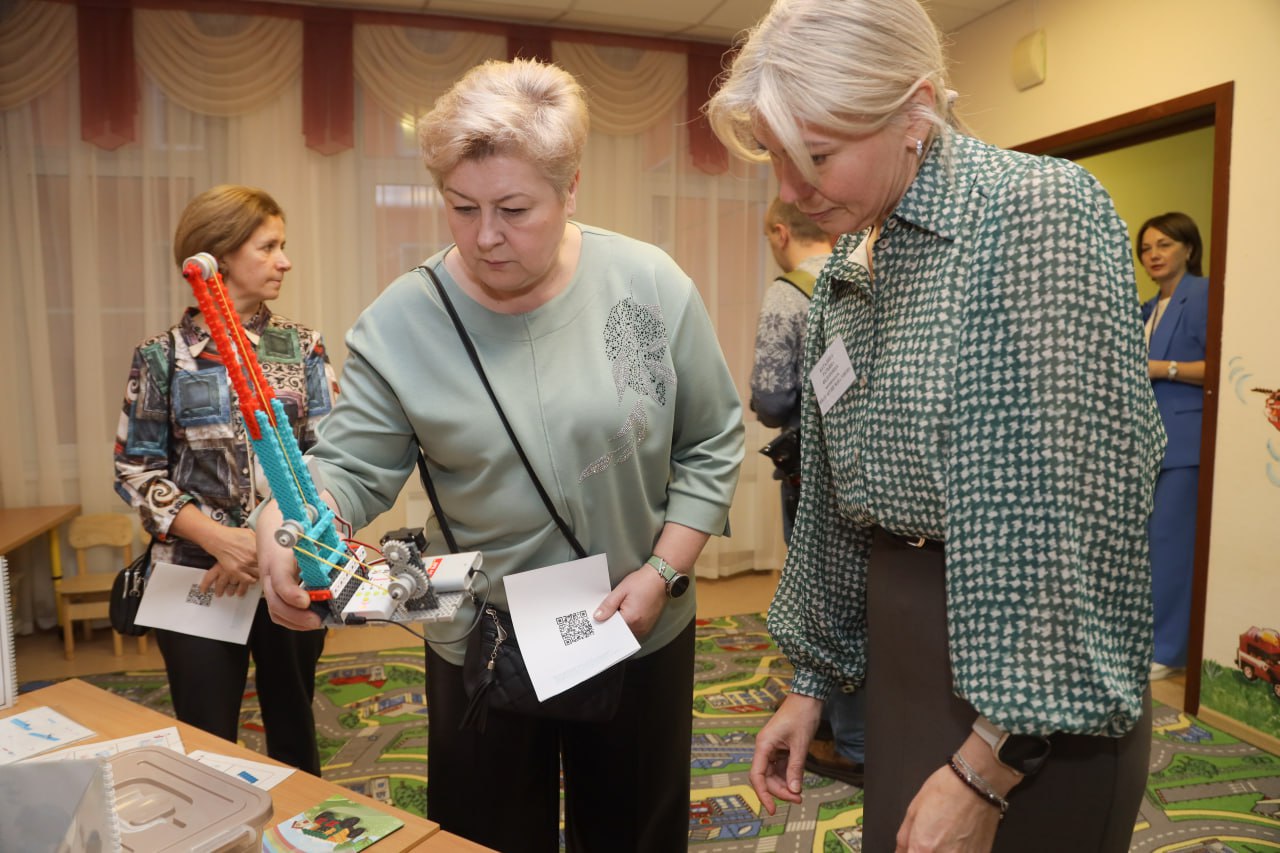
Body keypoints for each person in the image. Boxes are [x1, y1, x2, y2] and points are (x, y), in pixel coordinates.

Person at [706, 1, 1165, 850]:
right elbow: (842, 503)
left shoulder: (1037, 214)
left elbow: (1078, 519)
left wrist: (989, 765)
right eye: (776, 158)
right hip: (908, 655)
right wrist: (813, 678)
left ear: (916, 110)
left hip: (1033, 692)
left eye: (816, 156)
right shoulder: (851, 258)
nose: (790, 191)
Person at [256, 59, 744, 852]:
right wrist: (288, 516)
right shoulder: (402, 323)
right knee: (485, 835)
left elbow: (712, 438)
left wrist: (664, 571)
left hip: (637, 621)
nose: (486, 236)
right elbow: (347, 468)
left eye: (515, 208)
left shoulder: (648, 285)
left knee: (635, 830)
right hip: (484, 638)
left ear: (571, 188)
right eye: (462, 207)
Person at [113, 185, 336, 775]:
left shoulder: (303, 347)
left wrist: (263, 543)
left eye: (282, 246)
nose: (284, 261)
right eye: (268, 247)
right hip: (195, 577)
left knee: (295, 727)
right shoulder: (161, 357)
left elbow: (328, 456)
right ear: (218, 255)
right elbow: (135, 469)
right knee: (204, 739)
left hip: (291, 567)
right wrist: (219, 539)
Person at [1138, 212, 1209, 681]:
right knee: (1148, 547)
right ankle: (1152, 641)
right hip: (1148, 443)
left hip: (1184, 439)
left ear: (1188, 247)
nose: (1154, 255)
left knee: (1172, 546)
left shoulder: (1203, 295)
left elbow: (1217, 365)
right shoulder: (1146, 307)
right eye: (1145, 249)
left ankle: (1170, 649)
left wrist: (1165, 368)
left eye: (1164, 244)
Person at [750, 198, 833, 545]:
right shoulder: (862, 271)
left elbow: (772, 402)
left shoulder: (786, 294)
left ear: (781, 234)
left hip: (813, 466)